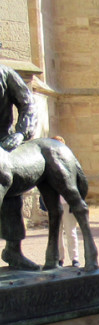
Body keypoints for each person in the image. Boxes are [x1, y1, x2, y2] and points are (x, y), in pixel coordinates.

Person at [0, 64, 38, 269]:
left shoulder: (5, 74)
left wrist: (21, 133)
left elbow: (28, 103)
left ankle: (13, 251)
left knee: (10, 197)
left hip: (1, 143)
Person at [53, 136, 80, 267]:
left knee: (70, 231)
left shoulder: (70, 162)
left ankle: (75, 258)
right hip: (54, 203)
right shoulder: (49, 163)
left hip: (68, 202)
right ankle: (59, 258)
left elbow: (78, 181)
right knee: (56, 233)